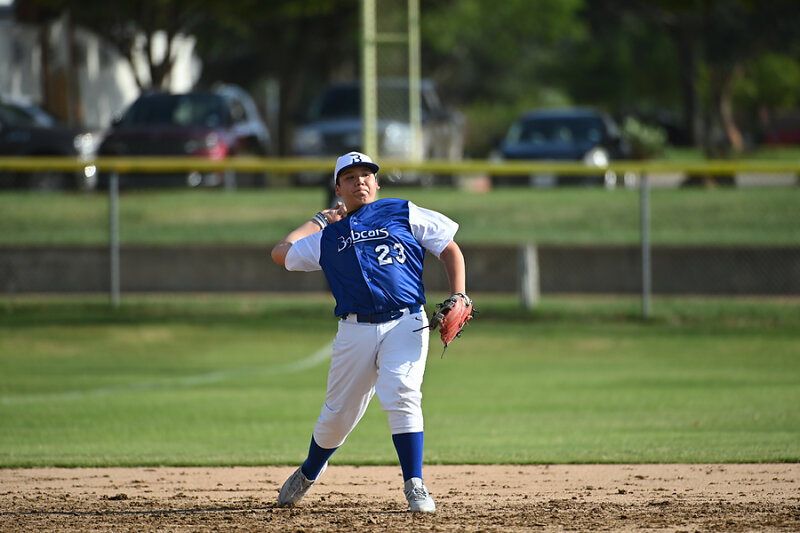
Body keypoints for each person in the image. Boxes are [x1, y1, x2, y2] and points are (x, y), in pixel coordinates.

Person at [270, 151, 467, 513]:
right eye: (350, 177)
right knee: (337, 415)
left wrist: (460, 294)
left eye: (366, 175)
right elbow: (281, 253)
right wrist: (320, 220)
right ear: (338, 189)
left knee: (402, 392)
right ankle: (310, 470)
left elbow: (448, 248)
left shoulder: (402, 211)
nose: (359, 181)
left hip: (406, 321)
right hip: (354, 330)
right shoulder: (329, 237)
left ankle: (415, 483)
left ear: (376, 183)